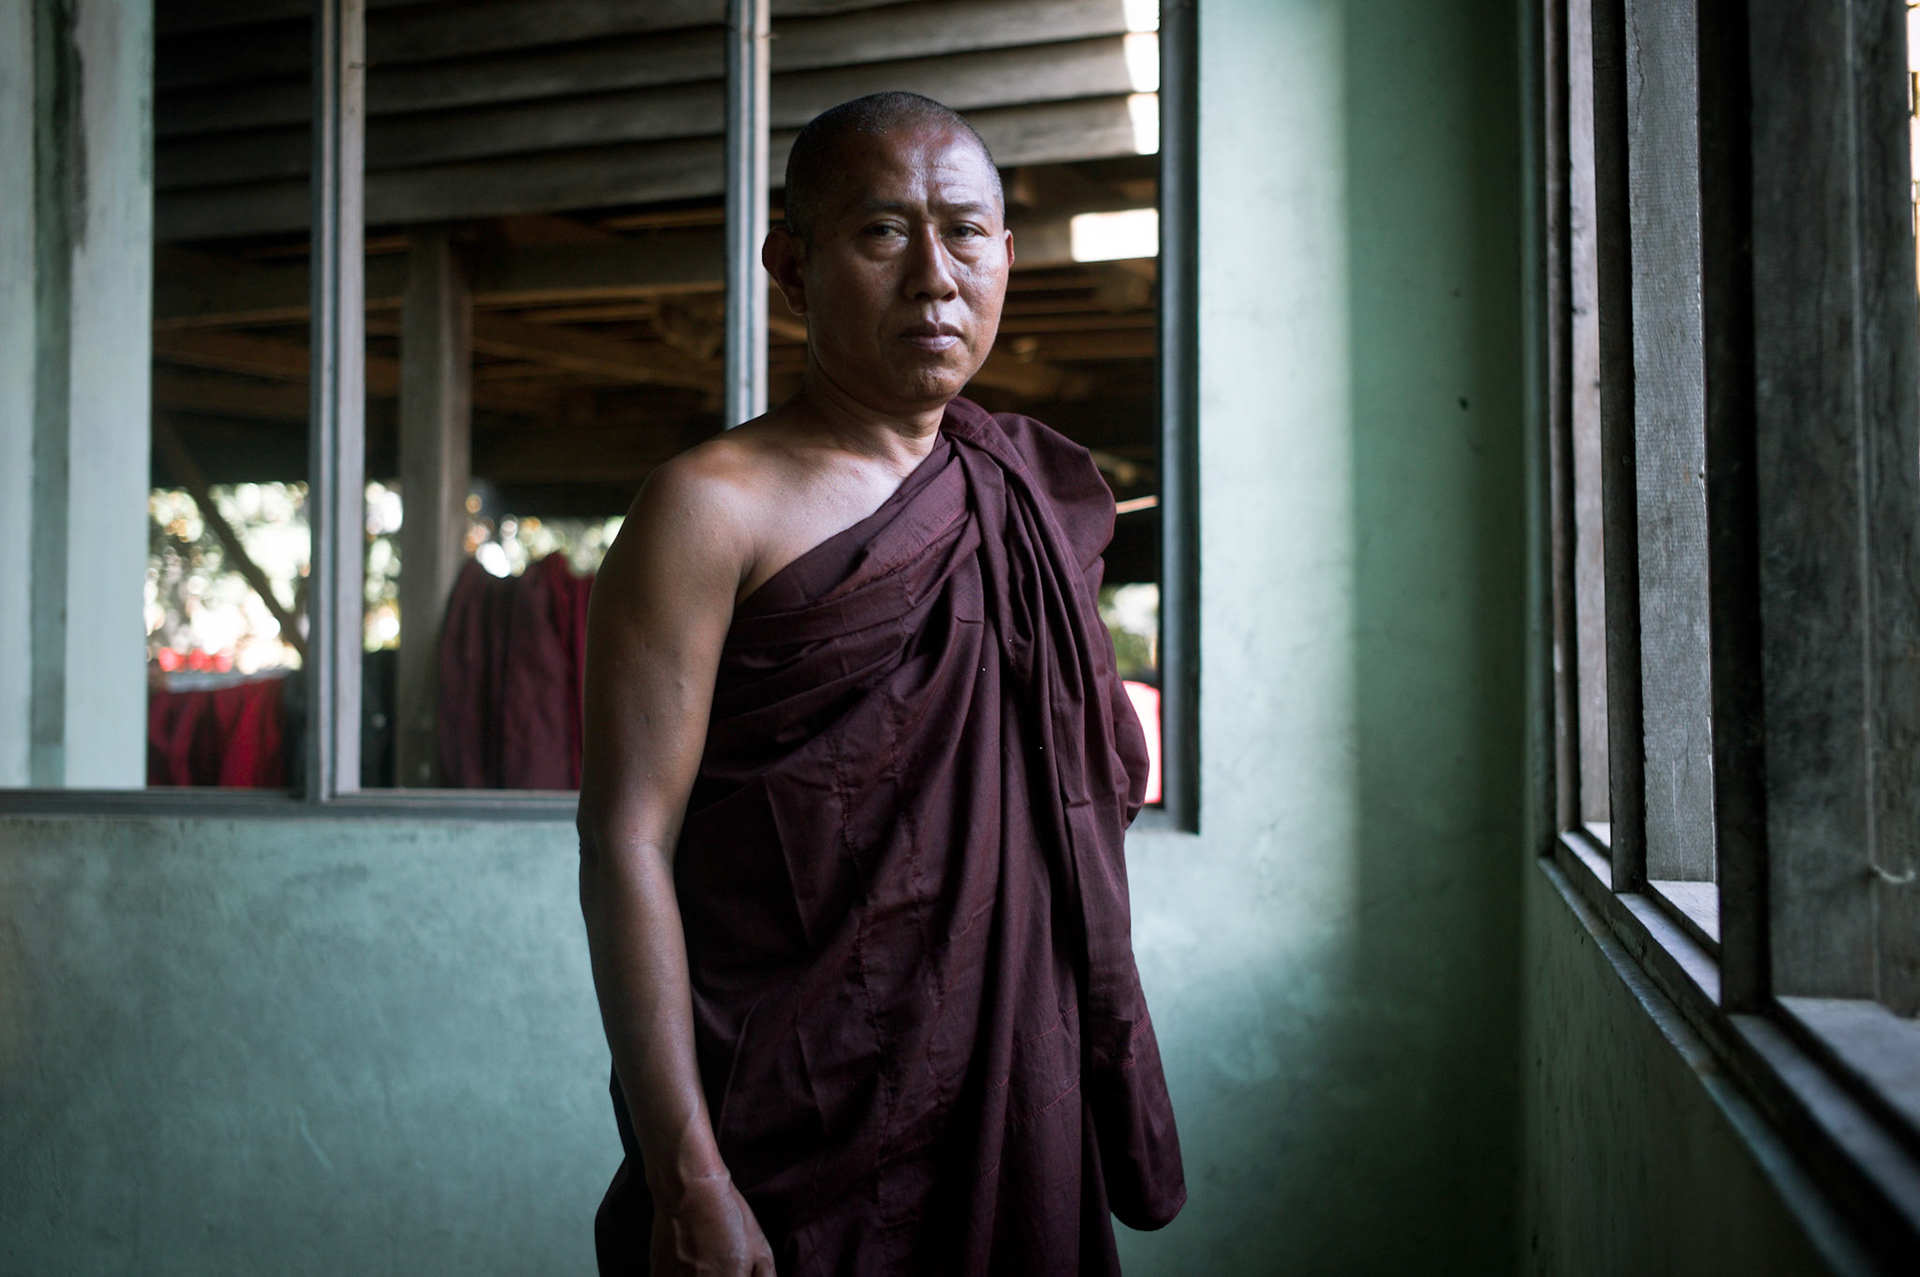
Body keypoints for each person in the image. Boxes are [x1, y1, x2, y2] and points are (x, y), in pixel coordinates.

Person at [577, 92, 1184, 1277]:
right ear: (791, 265)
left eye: (964, 232)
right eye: (881, 234)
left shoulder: (1018, 498)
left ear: (1007, 255)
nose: (935, 279)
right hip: (785, 1116)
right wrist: (686, 1171)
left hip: (1012, 1092)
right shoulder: (709, 508)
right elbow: (624, 844)